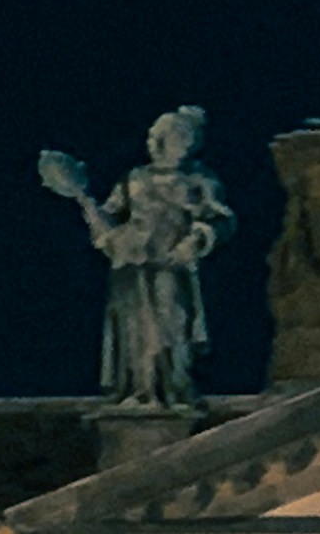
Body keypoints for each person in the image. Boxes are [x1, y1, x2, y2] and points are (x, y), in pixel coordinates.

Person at [37, 106, 233, 409]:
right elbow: (111, 218)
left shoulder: (198, 180)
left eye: (178, 137)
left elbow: (221, 219)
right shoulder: (134, 179)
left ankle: (170, 391)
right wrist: (86, 203)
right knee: (133, 333)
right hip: (131, 263)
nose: (165, 143)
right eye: (163, 137)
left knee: (171, 327)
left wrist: (196, 238)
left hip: (170, 263)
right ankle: (140, 391)